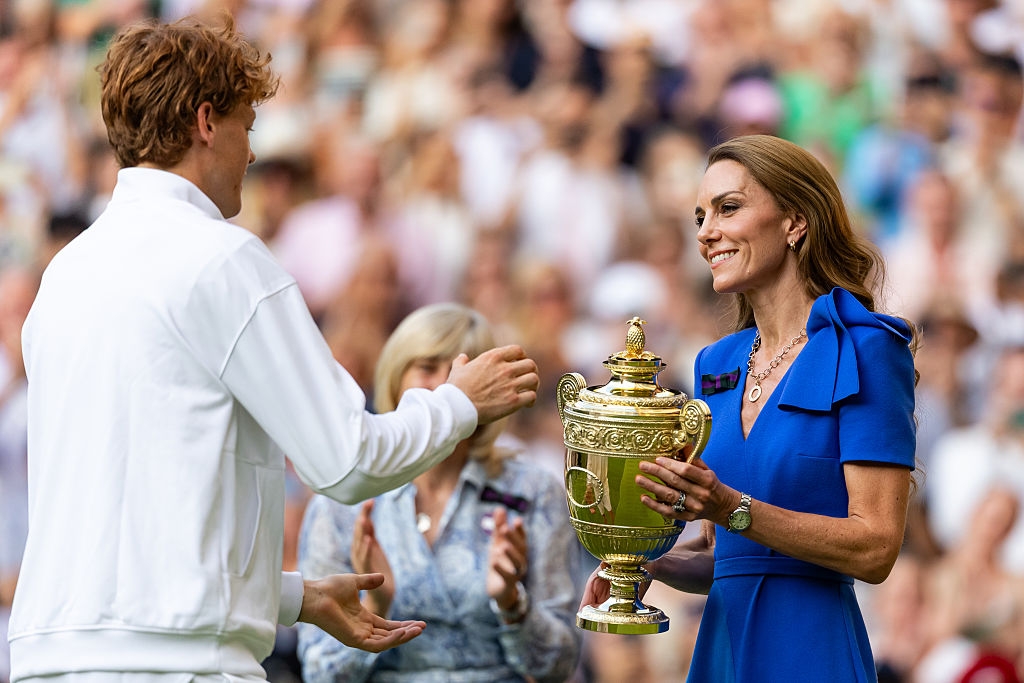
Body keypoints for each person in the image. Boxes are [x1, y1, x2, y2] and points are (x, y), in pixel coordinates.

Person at [6, 15, 540, 683]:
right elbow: (347, 459)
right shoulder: (224, 258)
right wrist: (459, 403)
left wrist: (294, 597)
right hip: (181, 668)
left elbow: (131, 504)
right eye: (246, 127)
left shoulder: (64, 274)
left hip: (46, 661)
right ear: (206, 121)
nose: (252, 154)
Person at [580, 134, 917, 682]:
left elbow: (876, 547)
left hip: (813, 652)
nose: (706, 232)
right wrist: (645, 565)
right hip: (723, 651)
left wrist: (729, 504)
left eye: (728, 208)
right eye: (699, 216)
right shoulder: (716, 363)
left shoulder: (868, 348)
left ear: (795, 222)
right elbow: (729, 556)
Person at [297, 302, 582, 683]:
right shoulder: (341, 502)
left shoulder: (532, 492)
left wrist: (513, 605)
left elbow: (560, 665)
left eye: (460, 373)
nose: (448, 388)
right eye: (428, 368)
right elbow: (318, 672)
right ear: (395, 378)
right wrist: (374, 607)